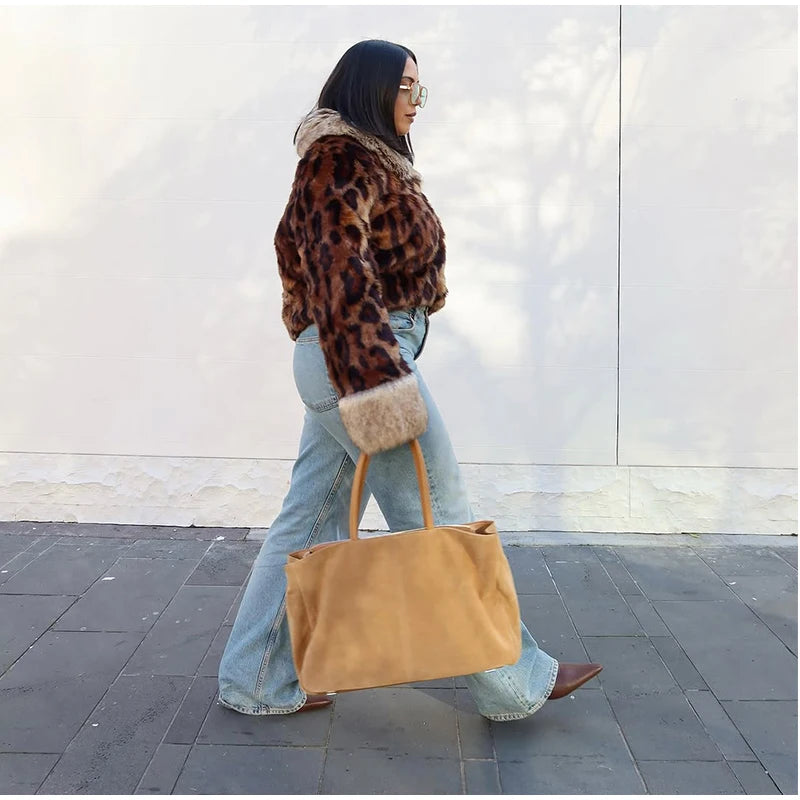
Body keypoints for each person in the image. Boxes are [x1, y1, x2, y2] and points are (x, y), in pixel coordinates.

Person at [218, 39, 602, 719]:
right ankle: (512, 685)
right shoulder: (339, 160)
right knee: (441, 518)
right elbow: (340, 275)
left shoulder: (368, 161)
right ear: (369, 88)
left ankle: (254, 678)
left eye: (421, 90)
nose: (416, 103)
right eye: (406, 88)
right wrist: (378, 385)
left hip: (347, 356)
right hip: (361, 355)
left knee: (308, 521)